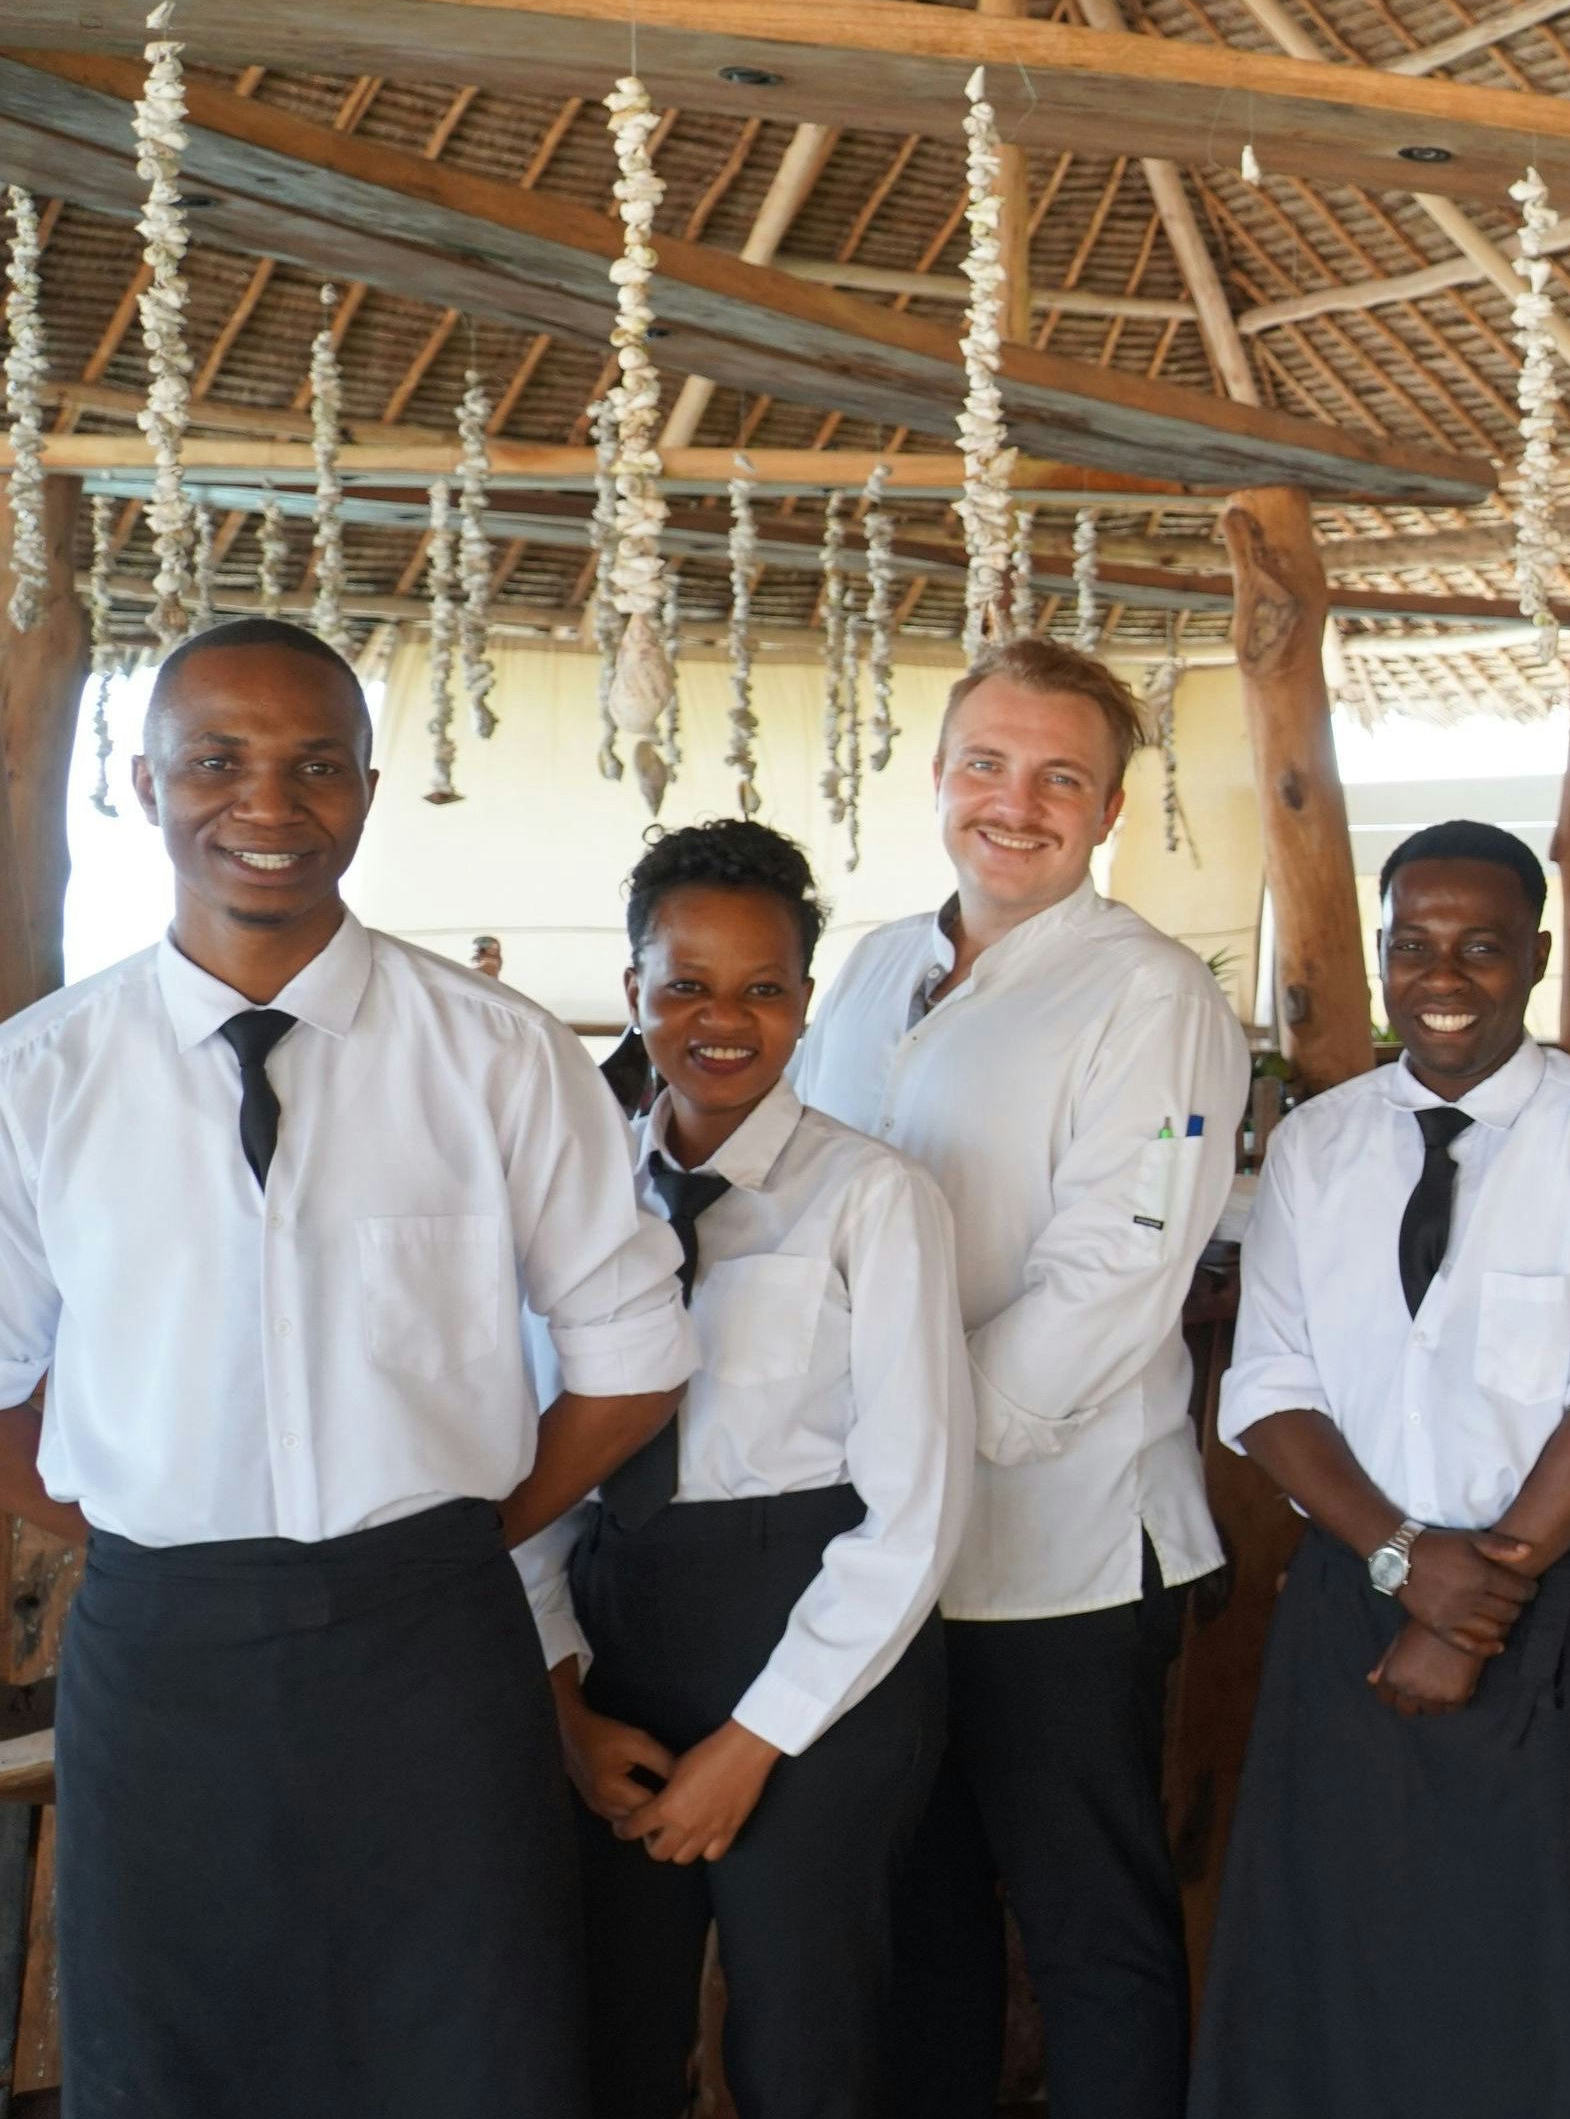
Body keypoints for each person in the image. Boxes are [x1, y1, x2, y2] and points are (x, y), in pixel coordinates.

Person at [0, 618, 695, 2116]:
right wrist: (127, 1527)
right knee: (172, 2048)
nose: (266, 804)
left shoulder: (498, 1054)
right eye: (217, 761)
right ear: (141, 782)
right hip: (162, 1650)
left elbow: (634, 1356)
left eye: (314, 764)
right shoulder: (42, 1076)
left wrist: (461, 1534)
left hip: (429, 1643)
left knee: (458, 2042)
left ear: (367, 792)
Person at [793, 636, 1247, 2119]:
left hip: (1056, 1547)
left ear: (1109, 809)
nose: (1017, 800)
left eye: (1063, 776)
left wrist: (916, 1448)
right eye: (987, 763)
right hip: (874, 1546)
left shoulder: (1150, 993)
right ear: (937, 777)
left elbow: (1115, 1279)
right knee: (915, 1911)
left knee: (1086, 1919)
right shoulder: (869, 967)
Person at [1193, 821, 1570, 2116]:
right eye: (1413, 944)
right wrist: (1403, 1563)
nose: (1444, 975)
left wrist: (1476, 1607)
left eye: (1482, 946)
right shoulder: (1321, 1143)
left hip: (1556, 1615)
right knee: (1346, 1963)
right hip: (1355, 1608)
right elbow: (1268, 1392)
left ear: (1534, 954)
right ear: (1380, 953)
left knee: (1556, 1977)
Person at [527, 819, 970, 2119]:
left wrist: (755, 1740)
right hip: (613, 1633)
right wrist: (563, 1702)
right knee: (613, 2027)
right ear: (634, 993)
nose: (723, 1019)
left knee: (804, 2040)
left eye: (762, 987)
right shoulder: (576, 1193)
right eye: (686, 984)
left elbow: (916, 1507)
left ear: (805, 1004)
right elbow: (532, 1462)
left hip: (814, 1639)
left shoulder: (874, 1199)